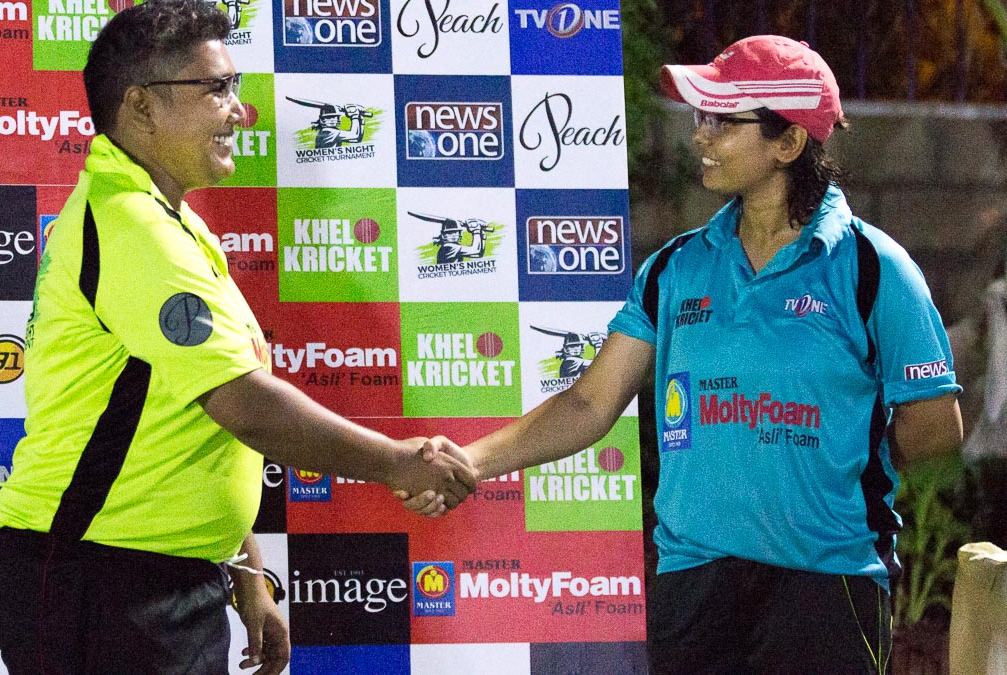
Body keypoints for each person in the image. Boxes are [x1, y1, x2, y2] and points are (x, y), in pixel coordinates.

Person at [401, 35, 964, 675]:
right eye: (701, 116)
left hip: (827, 587)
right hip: (694, 586)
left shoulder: (874, 267)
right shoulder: (675, 267)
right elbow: (588, 403)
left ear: (788, 142)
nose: (700, 134)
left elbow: (934, 428)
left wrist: (832, 464)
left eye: (723, 120)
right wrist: (470, 461)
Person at [0, 0, 475, 675]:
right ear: (141, 107)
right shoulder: (136, 230)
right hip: (95, 573)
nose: (239, 110)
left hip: (145, 573)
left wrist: (247, 577)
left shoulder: (169, 221)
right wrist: (396, 460)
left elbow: (193, 421)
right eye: (216, 89)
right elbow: (243, 403)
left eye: (234, 87)